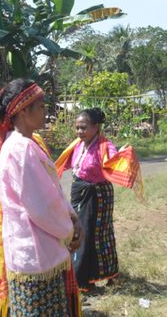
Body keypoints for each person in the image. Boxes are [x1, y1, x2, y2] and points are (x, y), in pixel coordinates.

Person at [0, 79, 82, 316]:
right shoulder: (22, 148)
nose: (45, 112)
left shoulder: (18, 144)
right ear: (23, 111)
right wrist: (70, 231)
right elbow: (42, 206)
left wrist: (70, 216)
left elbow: (50, 194)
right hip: (36, 253)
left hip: (29, 252)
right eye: (40, 107)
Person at [57, 107, 120, 292]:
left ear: (95, 127)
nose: (79, 132)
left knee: (99, 234)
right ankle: (85, 278)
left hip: (98, 194)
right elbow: (68, 163)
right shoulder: (77, 145)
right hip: (80, 192)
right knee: (78, 233)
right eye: (77, 128)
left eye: (83, 128)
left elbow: (114, 163)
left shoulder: (105, 146)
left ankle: (102, 276)